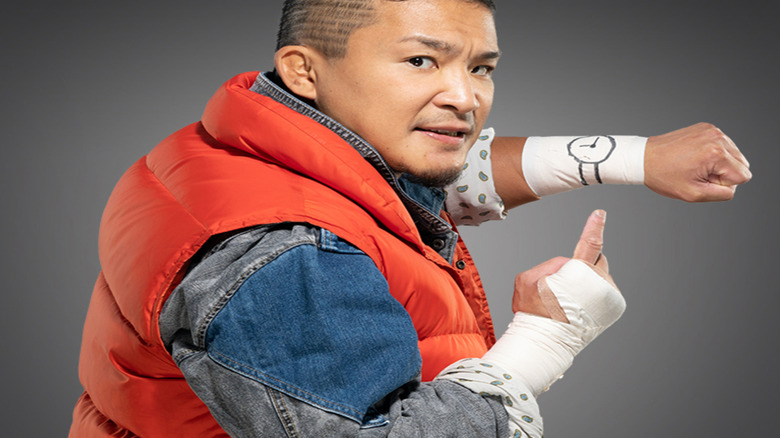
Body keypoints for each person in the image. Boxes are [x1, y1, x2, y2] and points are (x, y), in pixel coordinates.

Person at [70, 0, 751, 437]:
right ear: (305, 71)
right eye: (421, 60)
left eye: (481, 67)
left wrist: (635, 157)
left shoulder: (243, 146)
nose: (464, 97)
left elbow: (408, 190)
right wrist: (544, 343)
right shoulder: (287, 251)